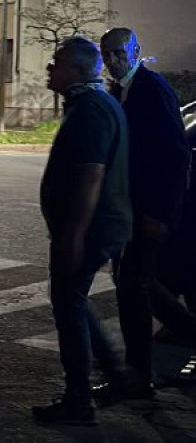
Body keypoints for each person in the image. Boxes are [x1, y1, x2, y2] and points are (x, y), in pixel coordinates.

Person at [33, 37, 131, 425]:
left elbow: (91, 176)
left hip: (91, 228)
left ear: (76, 69)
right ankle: (116, 373)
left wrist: (73, 237)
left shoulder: (90, 109)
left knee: (68, 302)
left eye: (56, 62)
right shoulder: (94, 104)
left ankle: (79, 399)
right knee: (73, 298)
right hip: (98, 225)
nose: (49, 68)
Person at [93, 27, 191, 401]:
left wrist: (162, 215)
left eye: (118, 53)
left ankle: (138, 376)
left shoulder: (152, 89)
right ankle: (185, 333)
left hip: (149, 212)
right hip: (130, 210)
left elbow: (175, 155)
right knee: (138, 282)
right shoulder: (119, 91)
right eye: (106, 54)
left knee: (133, 283)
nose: (112, 60)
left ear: (136, 51)